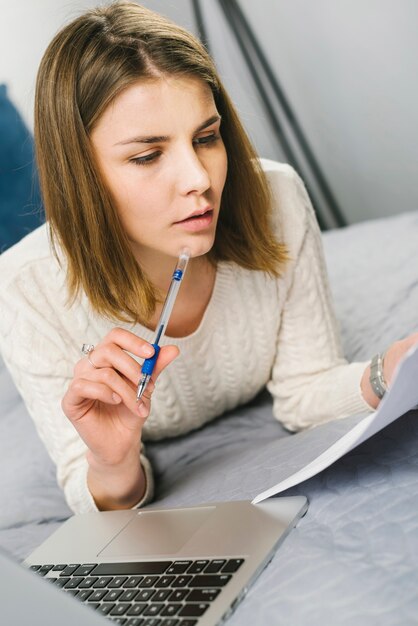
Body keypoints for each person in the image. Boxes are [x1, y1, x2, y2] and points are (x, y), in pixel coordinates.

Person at [0, 1, 416, 515]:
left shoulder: (277, 197)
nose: (200, 179)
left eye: (206, 137)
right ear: (80, 174)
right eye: (147, 155)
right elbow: (94, 493)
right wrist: (112, 462)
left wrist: (389, 372)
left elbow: (304, 388)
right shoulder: (24, 288)